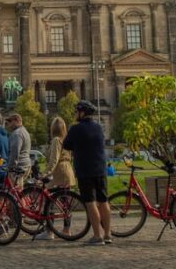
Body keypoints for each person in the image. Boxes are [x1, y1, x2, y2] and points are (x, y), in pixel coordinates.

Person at [63, 99, 111, 246]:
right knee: (103, 201)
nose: (75, 114)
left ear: (82, 113)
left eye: (76, 112)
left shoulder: (75, 128)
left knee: (90, 203)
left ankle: (97, 236)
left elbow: (66, 145)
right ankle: (108, 234)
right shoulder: (98, 127)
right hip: (100, 169)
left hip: (85, 170)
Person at [36, 116, 75, 240]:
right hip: (67, 170)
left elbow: (54, 160)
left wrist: (45, 173)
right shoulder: (65, 139)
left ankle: (49, 231)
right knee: (65, 204)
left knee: (49, 201)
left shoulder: (56, 140)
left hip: (59, 172)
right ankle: (66, 230)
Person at [5, 113, 31, 188]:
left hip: (18, 167)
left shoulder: (17, 134)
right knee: (20, 189)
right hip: (26, 164)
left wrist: (10, 167)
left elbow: (15, 152)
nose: (8, 124)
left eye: (10, 121)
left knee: (15, 191)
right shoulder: (25, 132)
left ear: (16, 121)